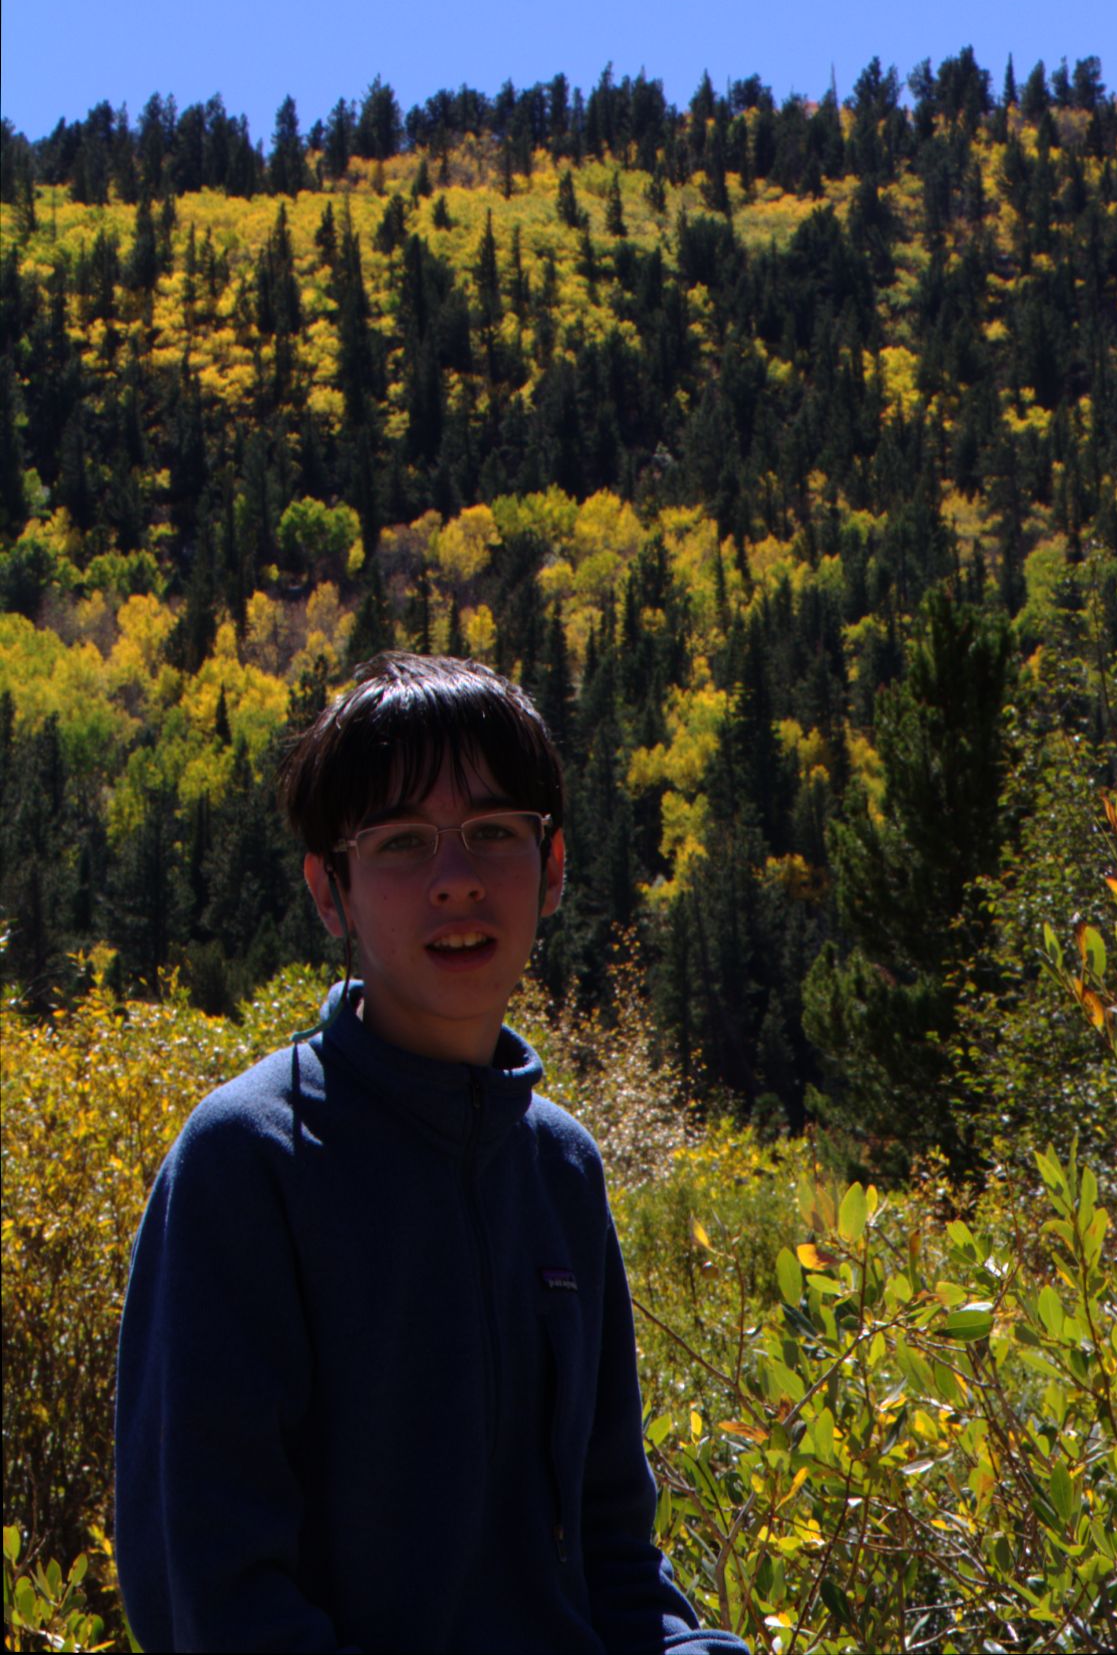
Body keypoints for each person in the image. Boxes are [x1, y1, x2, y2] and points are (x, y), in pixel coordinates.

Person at [115, 652, 750, 1654]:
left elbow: (609, 1551)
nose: (455, 881)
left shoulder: (557, 1170)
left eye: (493, 833)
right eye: (403, 843)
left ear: (550, 868)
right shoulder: (249, 1162)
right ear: (332, 891)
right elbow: (218, 1597)